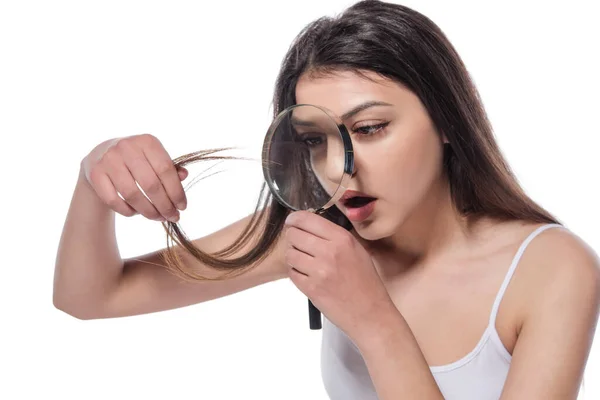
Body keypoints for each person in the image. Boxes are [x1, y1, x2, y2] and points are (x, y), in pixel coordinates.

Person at [53, 1, 600, 399]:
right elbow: (91, 298)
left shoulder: (551, 269)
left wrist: (373, 320)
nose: (342, 167)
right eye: (317, 140)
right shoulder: (318, 231)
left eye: (369, 128)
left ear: (447, 124)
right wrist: (92, 178)